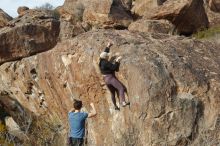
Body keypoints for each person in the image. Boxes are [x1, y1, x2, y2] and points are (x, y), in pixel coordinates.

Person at [99, 42, 130, 110]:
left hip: (106, 80)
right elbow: (114, 68)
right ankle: (123, 102)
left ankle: (115, 106)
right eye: (107, 56)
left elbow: (104, 53)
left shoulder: (101, 60)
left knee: (112, 93)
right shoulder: (106, 63)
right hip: (110, 78)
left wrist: (108, 46)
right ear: (106, 57)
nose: (108, 56)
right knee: (121, 88)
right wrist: (117, 61)